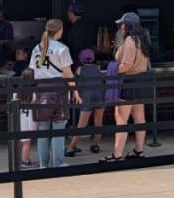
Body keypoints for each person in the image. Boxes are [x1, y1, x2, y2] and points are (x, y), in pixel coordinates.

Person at [28, 19, 80, 168]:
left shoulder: (36, 48)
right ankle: (58, 163)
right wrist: (75, 91)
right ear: (59, 30)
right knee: (58, 128)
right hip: (58, 90)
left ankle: (43, 164)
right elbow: (68, 73)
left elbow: (32, 71)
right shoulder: (62, 48)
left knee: (43, 129)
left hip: (40, 90)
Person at [103, 12, 152, 162]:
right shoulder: (143, 38)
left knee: (121, 118)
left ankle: (117, 154)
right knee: (139, 119)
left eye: (122, 24)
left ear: (128, 25)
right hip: (142, 81)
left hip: (129, 82)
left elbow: (126, 65)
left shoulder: (130, 40)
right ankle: (139, 150)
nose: (121, 26)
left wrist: (112, 69)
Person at [64, 49, 104, 157]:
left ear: (81, 59)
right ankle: (96, 145)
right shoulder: (98, 68)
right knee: (98, 122)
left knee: (81, 124)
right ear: (93, 58)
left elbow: (74, 81)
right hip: (100, 95)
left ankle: (71, 148)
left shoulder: (79, 69)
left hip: (86, 97)